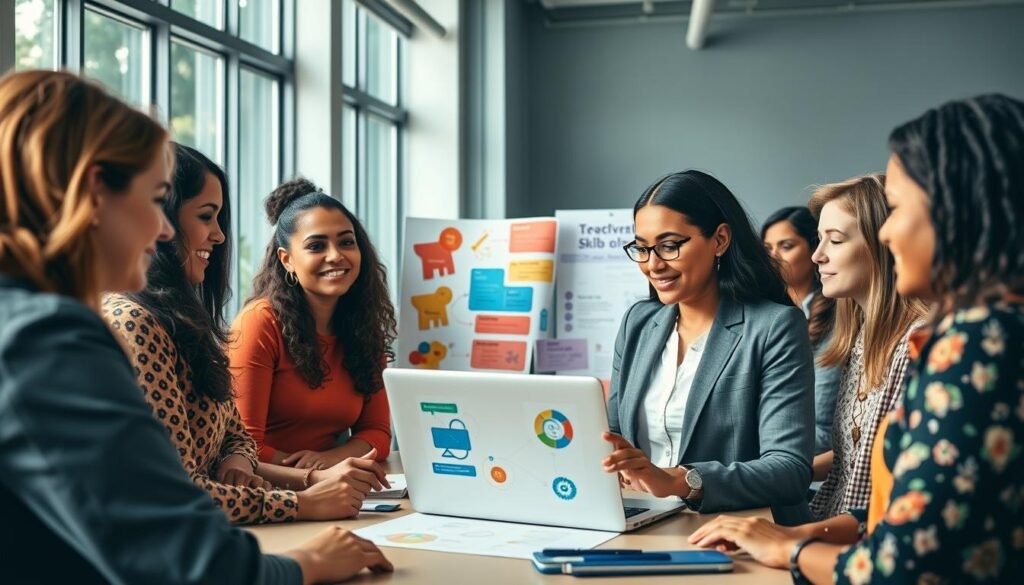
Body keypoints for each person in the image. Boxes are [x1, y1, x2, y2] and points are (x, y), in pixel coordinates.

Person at [0, 70, 391, 584]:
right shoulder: (49, 336)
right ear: (95, 192)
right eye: (153, 198)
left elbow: (226, 450)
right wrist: (308, 560)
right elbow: (182, 555)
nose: (163, 228)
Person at [689, 94, 1024, 584]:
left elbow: (905, 565)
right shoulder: (983, 333)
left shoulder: (978, 342)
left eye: (898, 208)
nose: (888, 234)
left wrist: (794, 552)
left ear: (959, 210)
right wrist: (792, 539)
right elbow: (916, 516)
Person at [103, 143, 388, 525]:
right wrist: (307, 495)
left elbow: (233, 435)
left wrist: (243, 459)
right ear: (158, 219)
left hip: (234, 521)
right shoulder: (134, 323)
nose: (219, 236)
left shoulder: (187, 321)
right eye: (206, 216)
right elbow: (175, 491)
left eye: (347, 241)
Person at [603, 169, 815, 526]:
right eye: (642, 248)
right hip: (641, 521)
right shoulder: (638, 323)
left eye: (670, 245)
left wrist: (682, 480)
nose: (653, 264)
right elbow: (614, 433)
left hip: (735, 529)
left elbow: (789, 469)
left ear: (719, 240)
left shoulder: (775, 327)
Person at [230, 178, 396, 470]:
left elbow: (377, 433)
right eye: (316, 245)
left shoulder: (363, 327)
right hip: (266, 488)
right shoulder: (260, 323)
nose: (336, 256)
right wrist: (315, 474)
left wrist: (329, 461)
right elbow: (242, 444)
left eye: (346, 242)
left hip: (334, 485)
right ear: (287, 260)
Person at [804, 176, 926, 520]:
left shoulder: (915, 344)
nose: (818, 255)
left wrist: (795, 542)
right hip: (829, 521)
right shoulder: (860, 336)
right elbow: (859, 455)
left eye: (836, 240)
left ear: (883, 244)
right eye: (819, 239)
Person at [763, 206, 840, 455]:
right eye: (767, 248)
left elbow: (822, 430)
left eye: (786, 246)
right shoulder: (759, 315)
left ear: (812, 249)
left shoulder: (835, 318)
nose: (773, 256)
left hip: (805, 467)